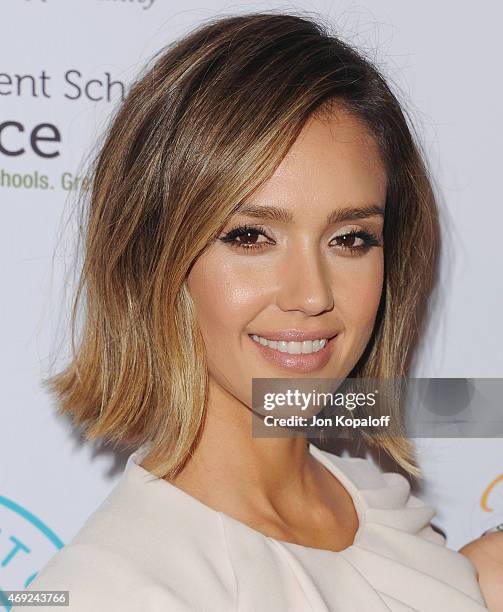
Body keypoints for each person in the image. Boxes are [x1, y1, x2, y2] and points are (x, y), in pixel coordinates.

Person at [15, 11, 501, 611]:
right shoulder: (119, 588)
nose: (312, 294)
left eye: (350, 238)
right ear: (156, 258)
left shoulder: (383, 508)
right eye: (250, 237)